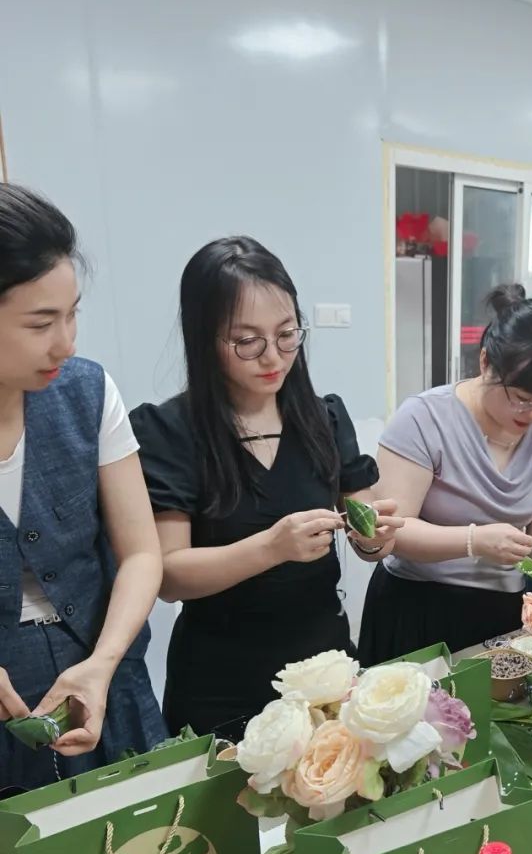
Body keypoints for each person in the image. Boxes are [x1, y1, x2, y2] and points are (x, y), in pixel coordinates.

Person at [132, 236, 397, 739]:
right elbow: (169, 575)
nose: (273, 356)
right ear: (204, 337)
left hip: (324, 664)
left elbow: (369, 538)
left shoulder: (325, 417)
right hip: (220, 675)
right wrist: (272, 547)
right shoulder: (170, 431)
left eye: (287, 334)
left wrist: (375, 536)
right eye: (247, 341)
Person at [0, 185, 165, 792]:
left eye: (72, 314)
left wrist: (101, 664)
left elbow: (143, 552)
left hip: (103, 680)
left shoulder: (87, 392)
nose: (66, 343)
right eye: (41, 323)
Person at [357, 286, 532, 663]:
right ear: (486, 361)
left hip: (503, 607)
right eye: (522, 397)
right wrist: (474, 541)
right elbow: (393, 529)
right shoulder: (425, 419)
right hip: (417, 606)